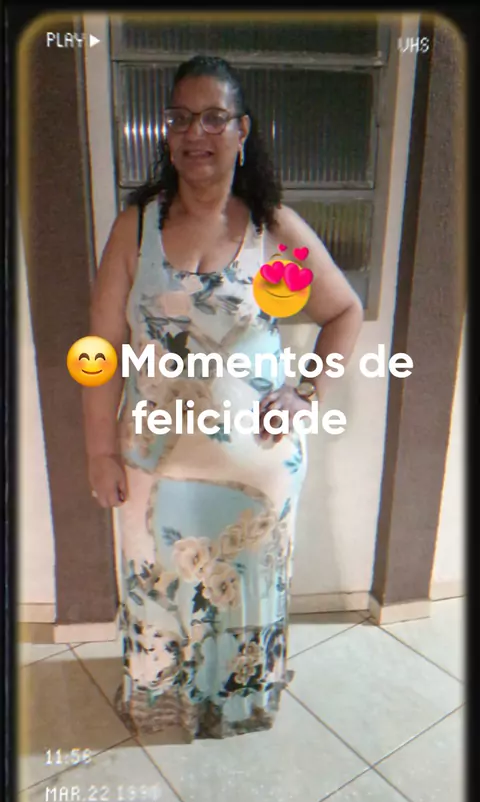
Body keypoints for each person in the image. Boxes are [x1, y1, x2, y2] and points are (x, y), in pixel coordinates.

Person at [83, 55, 363, 740]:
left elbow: (343, 311)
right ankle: (165, 705)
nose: (195, 133)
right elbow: (101, 349)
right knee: (157, 592)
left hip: (256, 473)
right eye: (181, 118)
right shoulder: (136, 227)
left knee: (245, 597)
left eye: (214, 118)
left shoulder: (273, 230)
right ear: (167, 132)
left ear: (242, 131)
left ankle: (238, 705)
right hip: (153, 466)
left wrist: (306, 393)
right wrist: (98, 452)